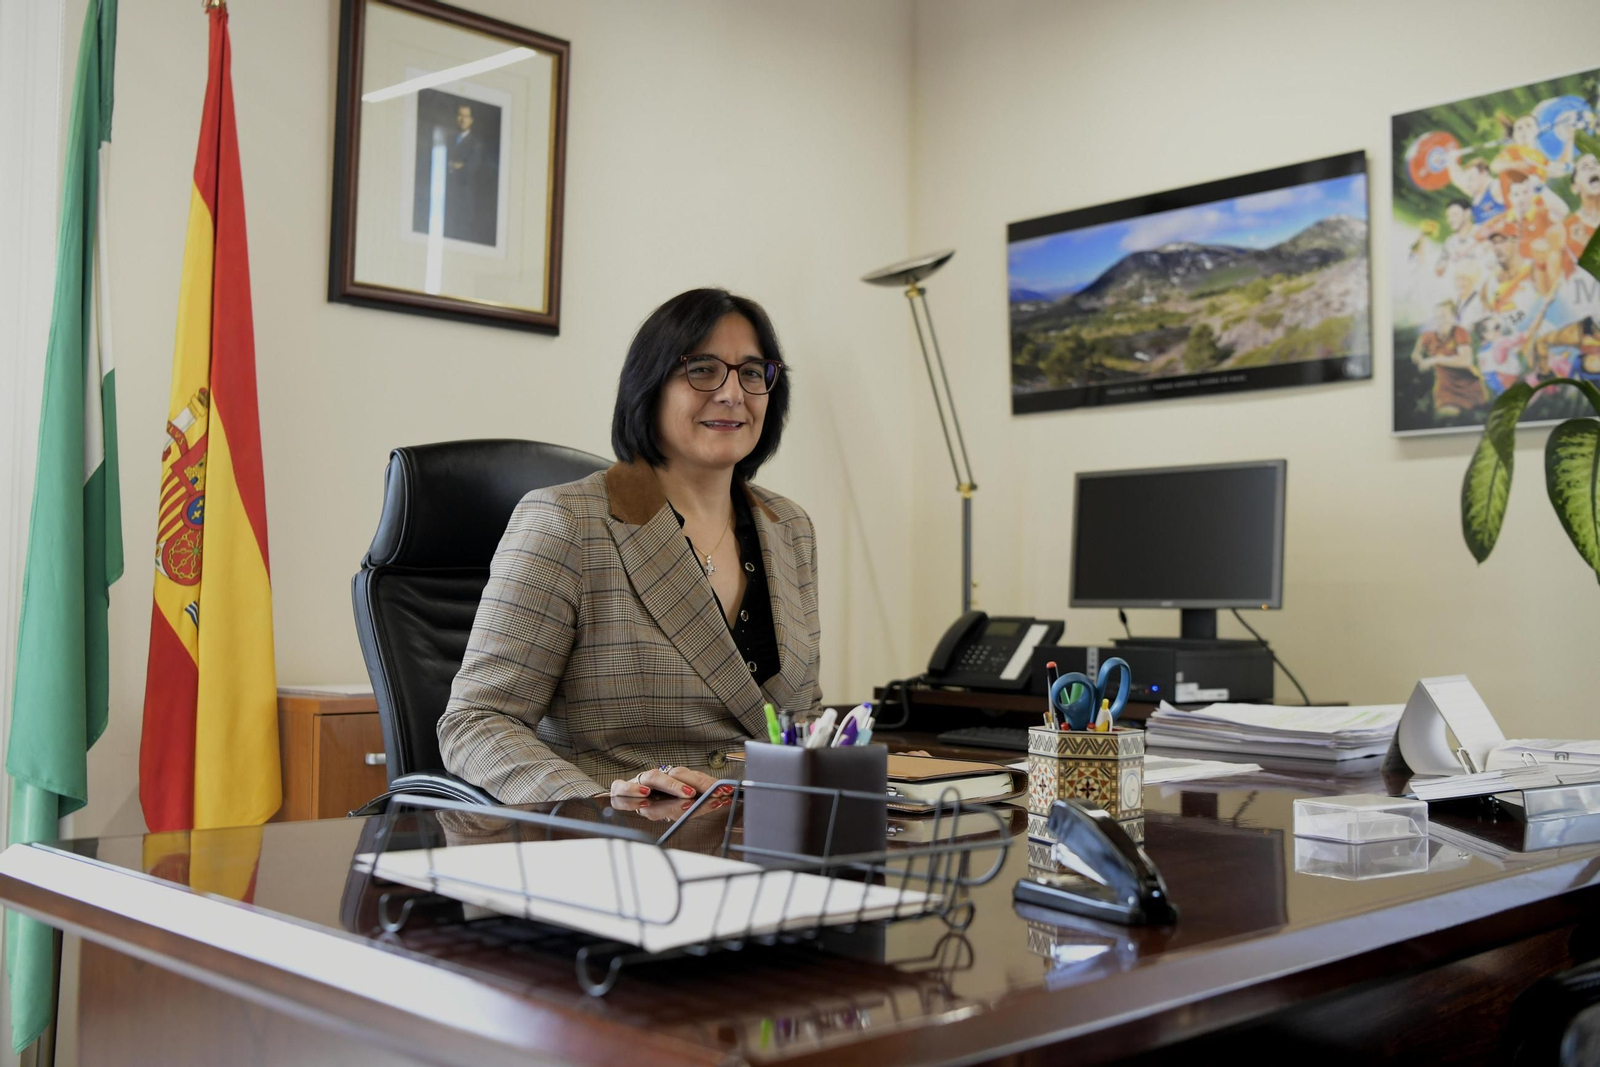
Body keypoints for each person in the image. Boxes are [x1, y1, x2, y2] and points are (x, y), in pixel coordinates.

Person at [437, 289, 821, 817]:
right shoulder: (569, 522)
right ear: (651, 385)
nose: (733, 393)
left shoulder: (790, 528)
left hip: (767, 836)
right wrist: (593, 804)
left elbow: (800, 717)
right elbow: (476, 721)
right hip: (622, 849)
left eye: (752, 373)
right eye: (704, 369)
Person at [1412, 299, 1487, 416]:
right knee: (1446, 417)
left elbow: (1466, 360)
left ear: (1453, 317)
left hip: (1468, 387)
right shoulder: (1428, 336)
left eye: (1444, 316)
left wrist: (1434, 360)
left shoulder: (1459, 332)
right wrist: (1421, 361)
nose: (1440, 320)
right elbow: (1416, 354)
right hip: (1445, 389)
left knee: (1471, 419)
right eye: (1437, 317)